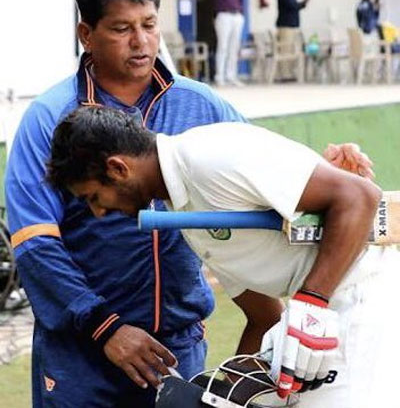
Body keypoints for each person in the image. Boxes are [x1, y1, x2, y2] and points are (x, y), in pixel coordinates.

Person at [47, 105, 393, 408]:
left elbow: (359, 196)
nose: (99, 213)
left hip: (365, 296)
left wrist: (311, 302)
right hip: (328, 309)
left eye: (94, 197)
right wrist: (225, 389)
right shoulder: (186, 207)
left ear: (118, 168)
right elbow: (264, 316)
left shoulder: (209, 158)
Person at [5, 0, 249, 407]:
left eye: (149, 25)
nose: (141, 41)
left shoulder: (201, 105)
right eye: (122, 28)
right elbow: (34, 242)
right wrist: (106, 328)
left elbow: (262, 172)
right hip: (82, 354)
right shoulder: (49, 117)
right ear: (87, 33)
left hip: (177, 350)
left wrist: (330, 166)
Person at [204, 0, 245, 87]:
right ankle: (219, 77)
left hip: (237, 15)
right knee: (222, 47)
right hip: (223, 14)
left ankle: (231, 76)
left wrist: (241, 12)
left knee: (234, 48)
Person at [276, 0, 310, 80]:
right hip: (286, 25)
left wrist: (302, 4)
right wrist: (302, 3)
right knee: (285, 51)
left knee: (290, 50)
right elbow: (291, 6)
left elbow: (294, 6)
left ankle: (289, 73)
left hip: (291, 26)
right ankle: (285, 74)